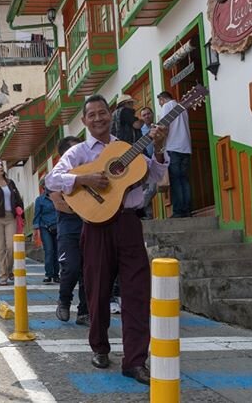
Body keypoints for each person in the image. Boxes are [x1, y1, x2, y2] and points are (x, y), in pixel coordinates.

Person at [46, 94, 168, 385]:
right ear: (85, 121)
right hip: (96, 225)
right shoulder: (78, 152)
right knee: (98, 290)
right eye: (92, 115)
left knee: (137, 292)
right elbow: (52, 179)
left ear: (110, 116)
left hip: (128, 223)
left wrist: (160, 148)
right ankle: (100, 347)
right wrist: (84, 180)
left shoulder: (124, 148)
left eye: (103, 113)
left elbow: (153, 174)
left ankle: (135, 360)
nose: (98, 118)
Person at [51, 136, 90, 326]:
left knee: (89, 271)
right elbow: (60, 204)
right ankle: (64, 301)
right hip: (69, 229)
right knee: (72, 267)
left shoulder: (89, 170)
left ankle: (85, 311)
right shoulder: (56, 177)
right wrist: (83, 209)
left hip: (91, 226)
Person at [158, 91, 192, 218]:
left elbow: (163, 127)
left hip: (173, 147)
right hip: (185, 147)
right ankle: (187, 209)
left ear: (162, 99)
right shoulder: (182, 108)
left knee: (176, 180)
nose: (160, 105)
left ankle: (178, 211)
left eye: (160, 102)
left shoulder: (167, 106)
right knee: (184, 179)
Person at [33, 183, 59, 283]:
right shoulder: (40, 200)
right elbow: (37, 215)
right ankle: (48, 274)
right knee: (49, 250)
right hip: (45, 227)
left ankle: (56, 275)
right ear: (43, 187)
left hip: (57, 226)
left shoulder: (58, 197)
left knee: (57, 251)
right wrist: (36, 229)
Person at [139, 106, 157, 220]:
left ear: (152, 114)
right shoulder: (140, 131)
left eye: (148, 114)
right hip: (144, 162)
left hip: (156, 161)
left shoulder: (158, 127)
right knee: (144, 188)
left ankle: (138, 206)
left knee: (152, 189)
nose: (147, 116)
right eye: (144, 115)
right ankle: (148, 216)